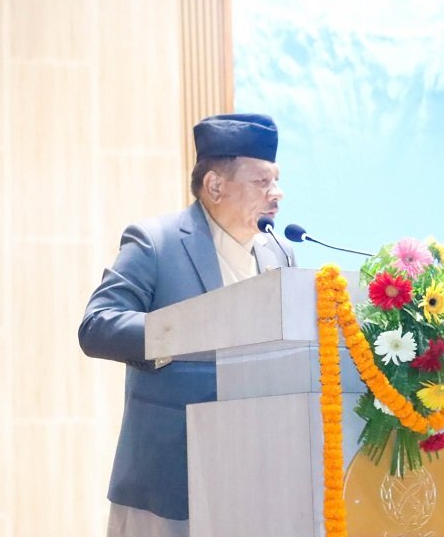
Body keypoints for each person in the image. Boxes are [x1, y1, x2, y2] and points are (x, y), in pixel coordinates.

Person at [78, 113, 293, 537]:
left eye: (277, 181)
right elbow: (97, 325)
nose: (277, 195)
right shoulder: (155, 243)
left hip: (258, 479)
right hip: (167, 485)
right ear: (215, 186)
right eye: (262, 182)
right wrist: (184, 331)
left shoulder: (279, 253)